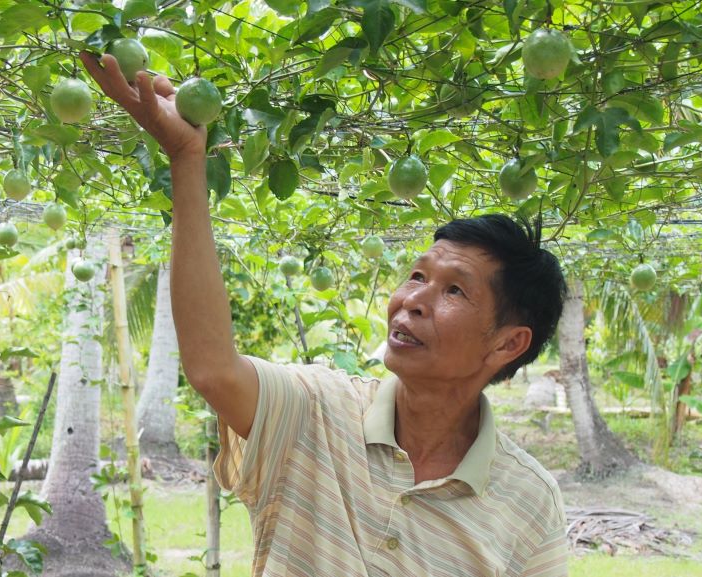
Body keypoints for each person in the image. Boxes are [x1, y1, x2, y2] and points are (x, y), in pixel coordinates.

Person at [80, 51, 570, 577]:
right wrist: (185, 158)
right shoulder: (316, 411)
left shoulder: (529, 502)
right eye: (418, 275)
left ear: (507, 344)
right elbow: (212, 369)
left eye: (454, 292)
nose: (413, 300)